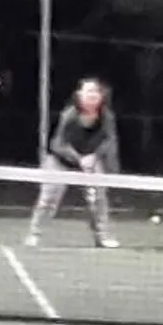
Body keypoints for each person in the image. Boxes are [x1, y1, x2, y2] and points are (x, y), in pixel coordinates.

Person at [26, 77, 121, 248]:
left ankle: (102, 237)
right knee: (49, 198)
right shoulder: (69, 115)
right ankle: (35, 234)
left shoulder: (107, 117)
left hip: (91, 160)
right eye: (88, 91)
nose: (92, 95)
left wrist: (95, 157)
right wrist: (79, 158)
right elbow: (59, 143)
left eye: (96, 91)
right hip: (60, 160)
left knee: (98, 198)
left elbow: (109, 141)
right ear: (79, 95)